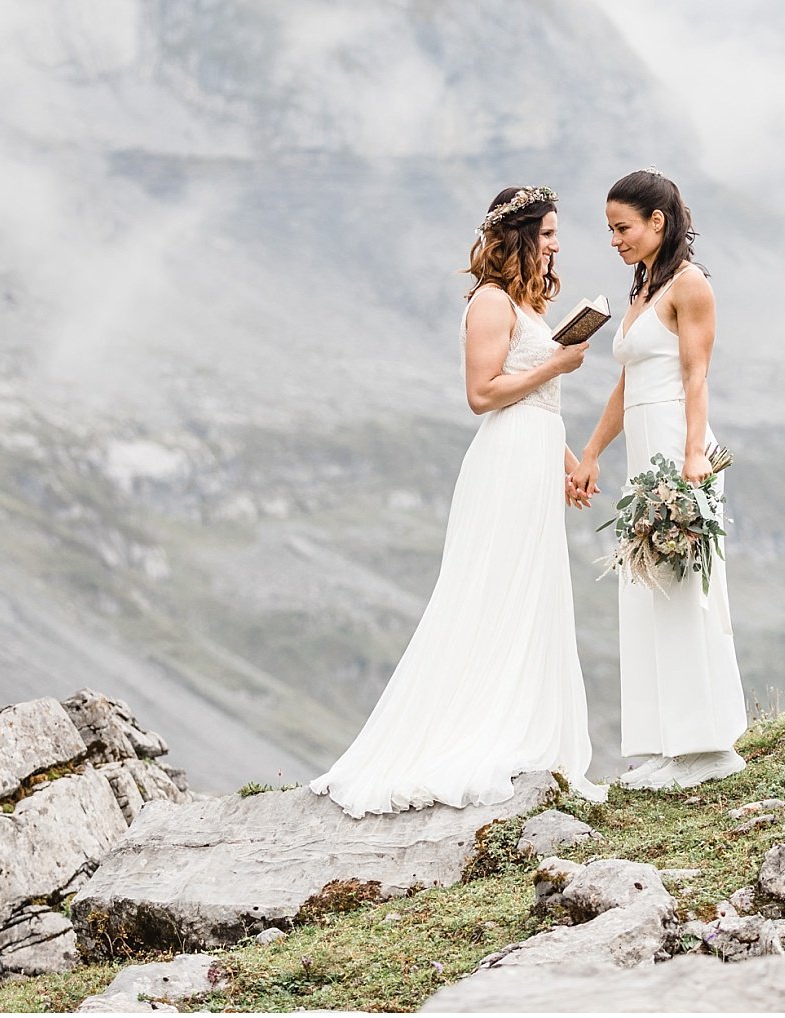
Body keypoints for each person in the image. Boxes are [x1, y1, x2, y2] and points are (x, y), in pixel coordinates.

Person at [310, 185, 606, 816]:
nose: (557, 246)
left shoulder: (524, 303)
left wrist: (570, 461)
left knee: (532, 589)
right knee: (491, 587)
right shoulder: (491, 302)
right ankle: (473, 731)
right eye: (549, 234)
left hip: (535, 452)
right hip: (504, 462)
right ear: (523, 237)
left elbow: (533, 404)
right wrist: (557, 364)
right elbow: (483, 393)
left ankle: (524, 731)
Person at [570, 169, 747, 790]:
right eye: (610, 230)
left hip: (678, 448)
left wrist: (694, 456)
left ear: (657, 223)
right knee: (646, 591)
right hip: (642, 456)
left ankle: (708, 748)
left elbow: (696, 375)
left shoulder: (690, 286)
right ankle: (668, 746)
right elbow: (630, 382)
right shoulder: (645, 285)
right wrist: (591, 452)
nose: (614, 240)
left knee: (682, 590)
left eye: (622, 228)